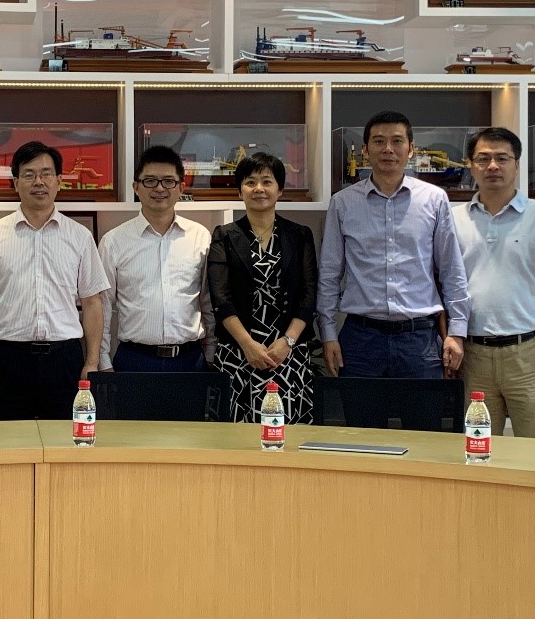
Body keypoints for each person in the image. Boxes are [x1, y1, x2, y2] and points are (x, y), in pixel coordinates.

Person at [317, 110, 470, 383]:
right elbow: (329, 274)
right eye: (379, 141)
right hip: (361, 340)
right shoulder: (342, 203)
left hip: (419, 340)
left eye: (397, 141)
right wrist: (328, 334)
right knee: (359, 414)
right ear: (365, 150)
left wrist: (456, 332)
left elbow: (451, 270)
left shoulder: (434, 199)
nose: (388, 149)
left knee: (423, 413)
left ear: (411, 149)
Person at [0, 140, 109, 419]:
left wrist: (92, 362)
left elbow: (92, 303)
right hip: (8, 358)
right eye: (29, 175)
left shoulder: (80, 237)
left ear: (59, 181)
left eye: (46, 174)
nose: (38, 182)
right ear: (16, 182)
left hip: (64, 359)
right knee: (8, 438)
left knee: (64, 437)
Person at [453, 126, 535, 438]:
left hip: (529, 355)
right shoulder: (454, 219)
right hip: (473, 356)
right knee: (477, 450)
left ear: (517, 165)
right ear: (471, 165)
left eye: (502, 158)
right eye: (483, 159)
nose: (492, 166)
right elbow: (446, 285)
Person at [207, 152, 317, 423]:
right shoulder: (224, 236)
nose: (259, 188)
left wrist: (286, 343)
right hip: (238, 354)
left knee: (288, 433)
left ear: (280, 190)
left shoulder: (299, 235)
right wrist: (248, 345)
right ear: (240, 191)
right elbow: (220, 298)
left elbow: (308, 295)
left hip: (288, 354)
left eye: (267, 182)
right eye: (250, 182)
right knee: (234, 437)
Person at [98, 146, 214, 374]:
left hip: (190, 360)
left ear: (181, 187)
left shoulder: (200, 237)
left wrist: (211, 354)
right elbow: (102, 307)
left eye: (168, 181)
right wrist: (103, 361)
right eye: (150, 181)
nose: (159, 188)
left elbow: (208, 303)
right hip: (134, 360)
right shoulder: (114, 241)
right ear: (136, 187)